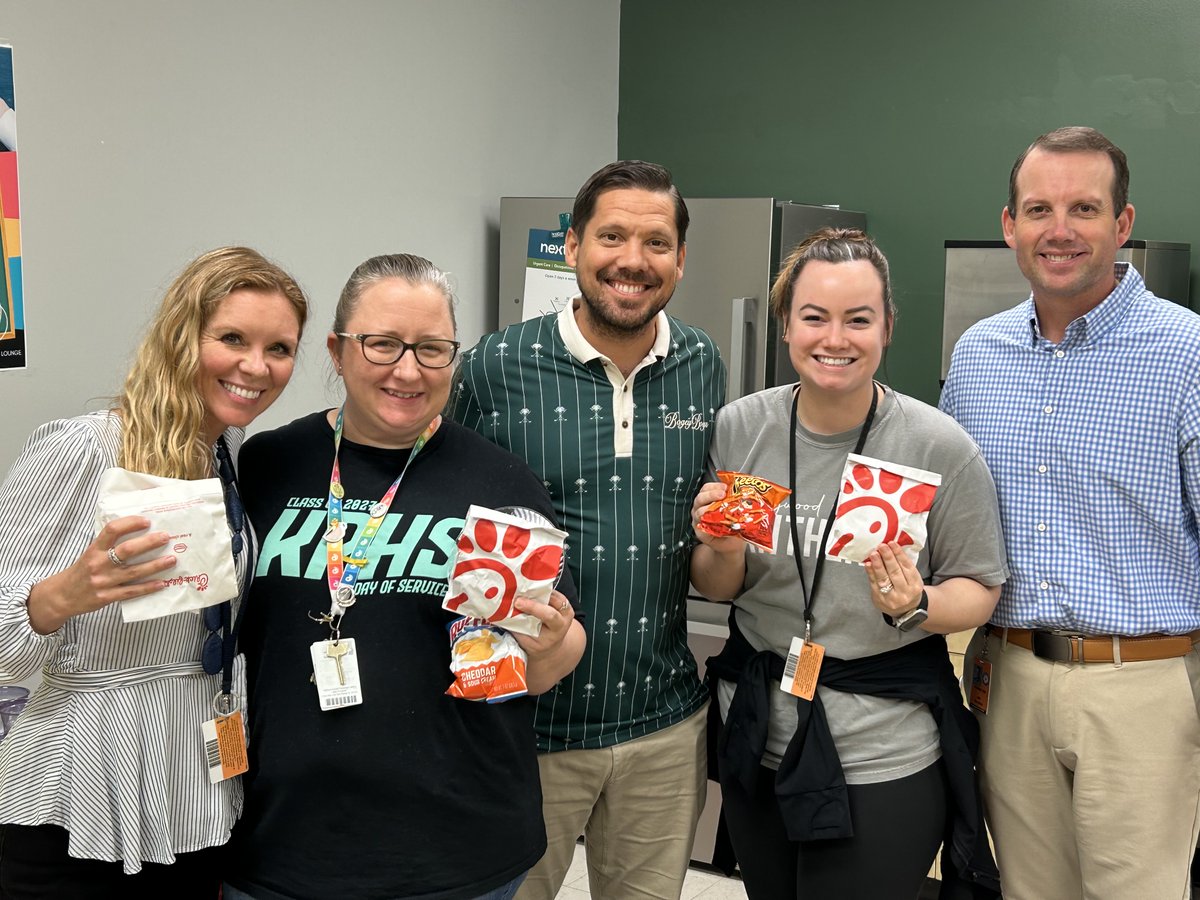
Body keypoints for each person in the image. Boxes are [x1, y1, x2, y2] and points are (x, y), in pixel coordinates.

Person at [224, 253, 586, 900]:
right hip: (282, 841)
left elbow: (540, 665)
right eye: (383, 344)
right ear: (337, 352)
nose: (408, 369)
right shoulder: (268, 463)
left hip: (454, 850)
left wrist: (554, 642)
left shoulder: (500, 482)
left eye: (432, 349)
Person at [691, 227, 1006, 899]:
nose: (835, 338)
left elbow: (980, 587)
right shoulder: (742, 429)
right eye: (815, 317)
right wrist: (718, 551)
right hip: (758, 733)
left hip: (880, 751)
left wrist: (918, 603)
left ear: (887, 326)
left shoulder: (937, 445)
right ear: (785, 325)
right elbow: (724, 585)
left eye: (858, 319)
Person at [452, 160, 726, 899]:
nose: (632, 261)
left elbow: (709, 551)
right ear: (570, 246)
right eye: (611, 236)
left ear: (680, 258)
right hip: (525, 724)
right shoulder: (491, 368)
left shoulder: (703, 363)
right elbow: (439, 516)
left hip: (663, 725)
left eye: (656, 243)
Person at [0, 246, 308, 898]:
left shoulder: (225, 454)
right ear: (181, 336)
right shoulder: (84, 448)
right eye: (232, 338)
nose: (257, 366)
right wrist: (60, 596)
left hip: (194, 776)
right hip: (80, 789)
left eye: (279, 348)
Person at [941, 126, 1200, 899]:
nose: (1059, 230)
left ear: (1122, 226)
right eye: (1039, 208)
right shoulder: (977, 355)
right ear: (1009, 225)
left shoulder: (1186, 353)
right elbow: (950, 516)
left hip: (1142, 686)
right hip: (1008, 675)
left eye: (1083, 208)